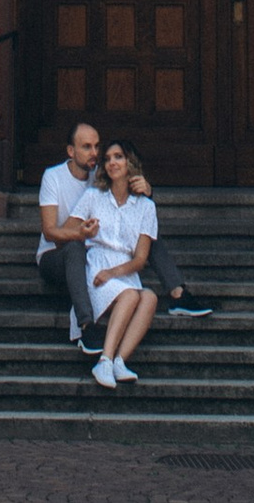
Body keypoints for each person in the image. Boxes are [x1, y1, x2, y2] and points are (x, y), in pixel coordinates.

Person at [85, 143, 162, 389]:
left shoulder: (146, 207)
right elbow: (72, 227)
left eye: (118, 157)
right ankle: (104, 360)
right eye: (107, 158)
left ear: (130, 164)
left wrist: (114, 273)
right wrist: (84, 231)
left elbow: (140, 259)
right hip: (98, 264)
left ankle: (119, 360)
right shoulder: (93, 196)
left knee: (148, 297)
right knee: (129, 296)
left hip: (124, 270)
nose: (112, 163)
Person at [34, 117, 105, 350]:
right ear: (71, 151)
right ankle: (87, 326)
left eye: (96, 146)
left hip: (92, 257)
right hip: (53, 257)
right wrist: (79, 235)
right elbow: (49, 231)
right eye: (86, 147)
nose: (93, 152)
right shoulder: (53, 177)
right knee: (75, 248)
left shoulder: (100, 178)